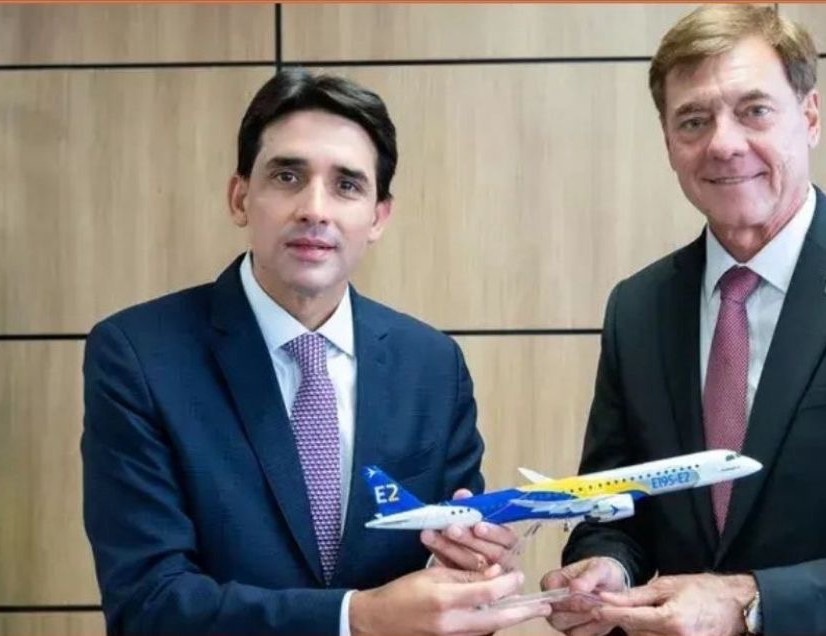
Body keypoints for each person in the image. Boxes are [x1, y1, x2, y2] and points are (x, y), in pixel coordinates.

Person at [541, 5, 826, 635]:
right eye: (693, 120)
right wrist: (607, 566)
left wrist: (751, 603)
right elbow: (617, 511)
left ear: (810, 116)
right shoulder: (638, 307)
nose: (723, 143)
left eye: (754, 110)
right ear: (669, 142)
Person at [81, 68, 547, 636]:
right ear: (239, 198)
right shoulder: (139, 355)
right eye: (287, 176)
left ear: (377, 217)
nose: (315, 209)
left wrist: (468, 568)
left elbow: (450, 568)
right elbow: (148, 605)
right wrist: (358, 617)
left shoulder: (432, 364)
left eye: (347, 185)